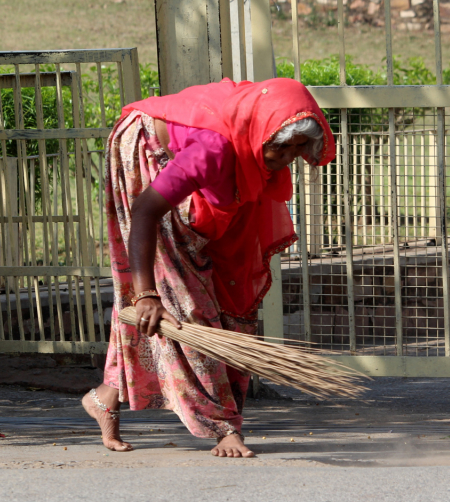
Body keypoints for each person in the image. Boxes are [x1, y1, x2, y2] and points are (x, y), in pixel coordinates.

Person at [82, 77, 335, 458]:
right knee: (184, 304)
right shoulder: (213, 151)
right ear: (263, 134)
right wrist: (147, 293)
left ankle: (106, 397)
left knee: (232, 295)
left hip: (216, 152)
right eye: (282, 146)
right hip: (145, 146)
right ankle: (223, 428)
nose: (289, 156)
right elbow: (145, 212)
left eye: (300, 147)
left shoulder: (257, 150)